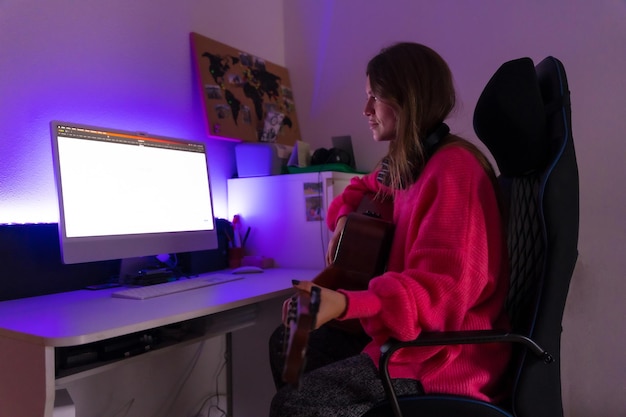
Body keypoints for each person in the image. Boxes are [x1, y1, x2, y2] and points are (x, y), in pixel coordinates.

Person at [268, 42, 511, 417]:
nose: (366, 110)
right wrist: (346, 217)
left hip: (442, 359)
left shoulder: (454, 172)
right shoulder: (408, 165)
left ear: (407, 99)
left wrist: (346, 304)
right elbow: (358, 189)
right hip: (407, 339)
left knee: (295, 403)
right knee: (287, 343)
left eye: (375, 98)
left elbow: (438, 295)